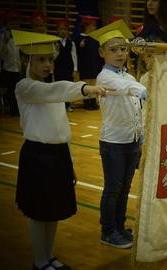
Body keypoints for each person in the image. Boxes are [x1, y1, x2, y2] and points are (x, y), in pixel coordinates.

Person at [12, 29, 110, 270]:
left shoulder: (52, 88)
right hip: (37, 156)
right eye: (41, 60)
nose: (47, 65)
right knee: (38, 212)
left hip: (58, 157)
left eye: (50, 59)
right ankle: (39, 261)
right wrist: (85, 89)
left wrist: (71, 164)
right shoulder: (25, 87)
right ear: (28, 61)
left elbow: (61, 129)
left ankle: (49, 256)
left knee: (53, 210)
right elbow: (54, 92)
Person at [88, 19, 147, 249]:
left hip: (131, 141)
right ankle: (108, 230)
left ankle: (120, 226)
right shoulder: (105, 78)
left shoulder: (128, 76)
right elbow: (129, 90)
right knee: (113, 187)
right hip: (113, 143)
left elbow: (137, 110)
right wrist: (145, 90)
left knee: (125, 187)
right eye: (113, 49)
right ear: (102, 52)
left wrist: (140, 137)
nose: (120, 53)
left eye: (123, 48)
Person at [76, 15, 104, 110]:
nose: (94, 28)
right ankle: (87, 102)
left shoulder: (95, 39)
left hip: (94, 65)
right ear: (87, 26)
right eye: (92, 26)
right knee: (86, 83)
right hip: (85, 66)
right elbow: (78, 53)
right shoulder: (80, 38)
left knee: (93, 82)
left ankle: (93, 101)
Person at [53, 18, 79, 112]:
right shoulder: (54, 42)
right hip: (58, 68)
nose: (63, 31)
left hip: (68, 68)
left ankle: (68, 105)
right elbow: (53, 57)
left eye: (65, 29)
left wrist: (75, 69)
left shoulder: (71, 43)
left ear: (68, 31)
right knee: (59, 87)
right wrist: (56, 50)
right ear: (57, 30)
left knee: (68, 87)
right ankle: (60, 106)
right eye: (61, 29)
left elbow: (74, 56)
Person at [0, 9, 21, 116]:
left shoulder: (20, 37)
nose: (14, 25)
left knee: (17, 91)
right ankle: (10, 109)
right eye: (12, 23)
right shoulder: (4, 37)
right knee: (9, 91)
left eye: (16, 23)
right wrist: (5, 42)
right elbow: (2, 54)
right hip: (8, 68)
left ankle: (16, 109)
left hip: (18, 69)